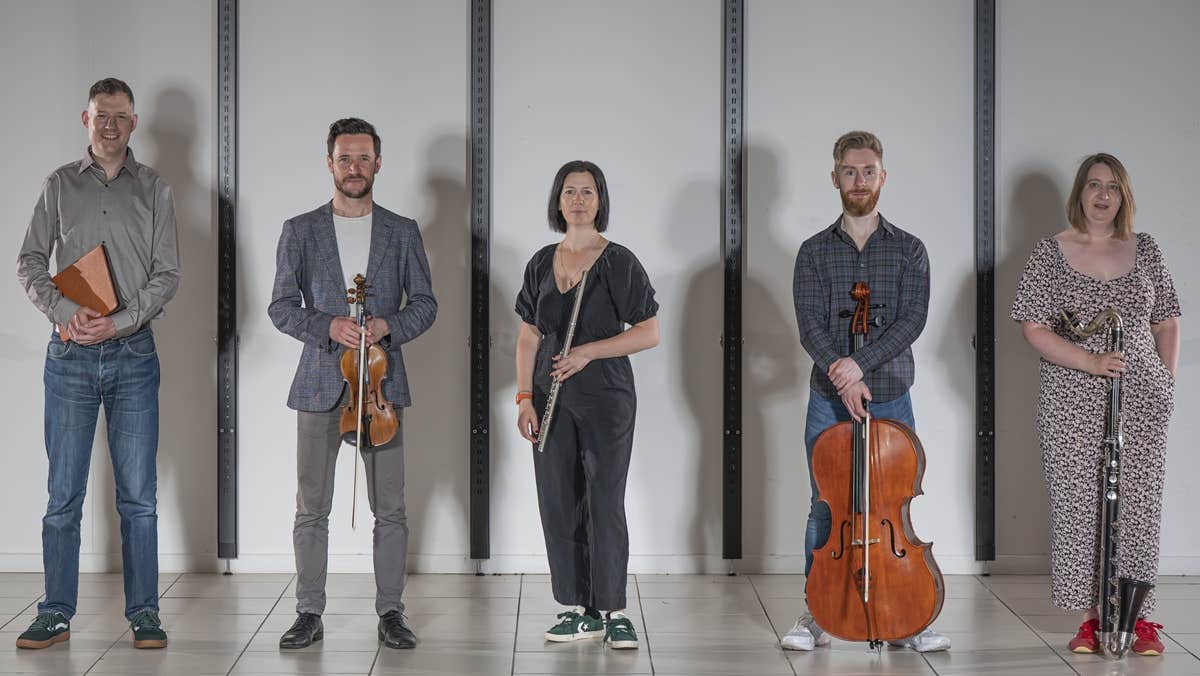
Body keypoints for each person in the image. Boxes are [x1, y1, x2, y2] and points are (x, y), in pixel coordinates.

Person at [15, 77, 179, 650]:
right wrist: (64, 311)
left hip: (134, 355)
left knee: (139, 496)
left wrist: (122, 320)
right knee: (64, 495)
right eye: (101, 115)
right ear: (85, 119)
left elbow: (168, 275)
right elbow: (29, 261)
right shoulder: (58, 185)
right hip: (69, 358)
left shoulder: (155, 189)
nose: (111, 126)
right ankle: (55, 612)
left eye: (121, 117)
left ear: (135, 123)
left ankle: (145, 614)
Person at [268, 118, 436, 650]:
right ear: (330, 163)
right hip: (320, 383)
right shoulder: (299, 229)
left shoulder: (402, 230)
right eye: (345, 158)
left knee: (390, 507)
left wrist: (388, 325)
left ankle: (391, 611)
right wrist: (327, 326)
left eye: (364, 158)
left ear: (379, 163)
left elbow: (426, 305)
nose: (355, 168)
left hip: (380, 389)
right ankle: (308, 612)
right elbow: (279, 306)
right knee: (311, 507)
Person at [782, 131, 949, 653]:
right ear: (835, 178)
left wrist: (857, 366)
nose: (859, 181)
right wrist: (841, 371)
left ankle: (906, 615)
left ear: (882, 177)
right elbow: (810, 326)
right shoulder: (812, 253)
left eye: (868, 171)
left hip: (891, 395)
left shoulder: (909, 250)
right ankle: (817, 612)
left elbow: (911, 321)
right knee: (824, 507)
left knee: (892, 502)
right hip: (828, 399)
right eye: (849, 172)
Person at [1012, 153, 1180, 657]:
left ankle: (1138, 617)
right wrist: (1090, 362)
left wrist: (1164, 382)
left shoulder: (1145, 249)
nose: (1102, 195)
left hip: (1141, 394)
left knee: (1139, 506)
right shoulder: (1050, 252)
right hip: (1071, 395)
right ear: (1079, 194)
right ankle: (1091, 619)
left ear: (1123, 195)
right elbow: (1033, 326)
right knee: (1079, 505)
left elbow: (1168, 320)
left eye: (1112, 187)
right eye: (1093, 185)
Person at [514, 160, 659, 650]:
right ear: (558, 201)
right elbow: (528, 336)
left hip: (607, 398)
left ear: (600, 201)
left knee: (603, 501)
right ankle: (578, 609)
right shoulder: (540, 263)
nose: (579, 200)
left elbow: (649, 332)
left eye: (588, 192)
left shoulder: (619, 262)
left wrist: (589, 352)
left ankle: (614, 610)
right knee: (558, 500)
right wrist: (523, 398)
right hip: (549, 400)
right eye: (570, 191)